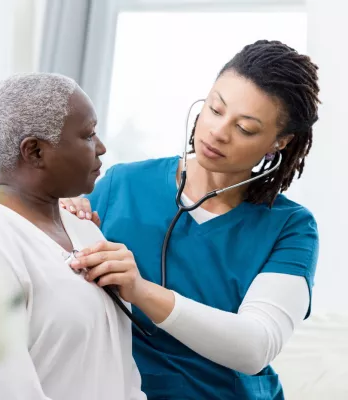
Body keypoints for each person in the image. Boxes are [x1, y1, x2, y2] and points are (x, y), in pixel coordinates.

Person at [60, 40, 320, 400]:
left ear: (279, 142)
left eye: (245, 128)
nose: (217, 131)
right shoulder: (122, 185)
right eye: (215, 109)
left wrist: (141, 290)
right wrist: (59, 216)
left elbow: (254, 347)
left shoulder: (290, 227)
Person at [0, 73, 146, 400]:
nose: (101, 148)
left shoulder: (84, 227)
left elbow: (116, 367)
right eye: (88, 135)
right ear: (35, 152)